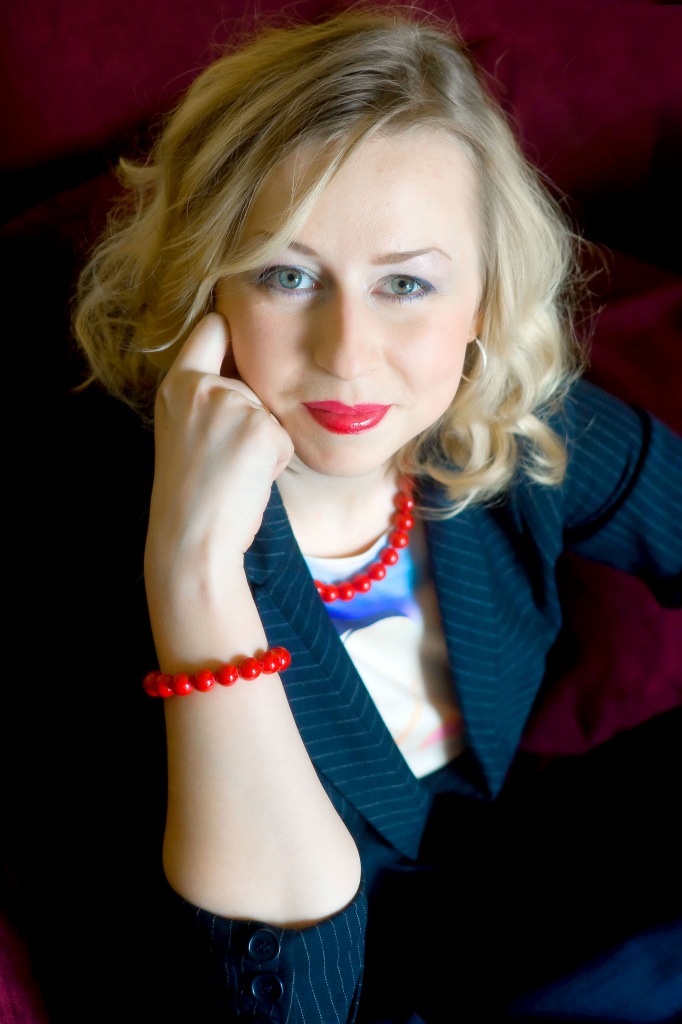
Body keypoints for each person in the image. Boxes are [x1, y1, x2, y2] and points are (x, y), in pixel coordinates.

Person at [42, 5, 682, 1022]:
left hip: (495, 882)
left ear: (482, 301)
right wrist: (195, 568)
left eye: (406, 284)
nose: (347, 353)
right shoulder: (108, 540)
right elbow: (293, 1002)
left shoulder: (497, 421)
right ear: (206, 289)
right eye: (287, 274)